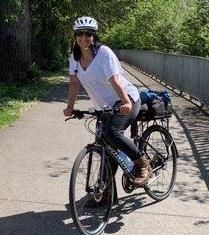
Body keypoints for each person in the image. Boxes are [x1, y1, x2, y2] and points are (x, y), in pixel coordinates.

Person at [63, 16, 151, 187]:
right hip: (104, 107)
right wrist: (70, 107)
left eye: (88, 33)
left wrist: (126, 103)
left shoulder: (104, 53)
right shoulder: (74, 57)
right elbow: (74, 84)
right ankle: (104, 193)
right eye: (80, 34)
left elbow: (115, 81)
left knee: (112, 133)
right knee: (105, 146)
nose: (84, 37)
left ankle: (142, 164)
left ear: (94, 36)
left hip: (127, 98)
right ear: (75, 36)